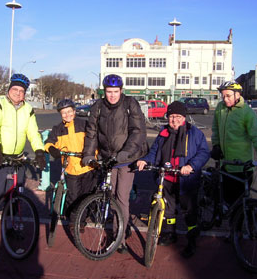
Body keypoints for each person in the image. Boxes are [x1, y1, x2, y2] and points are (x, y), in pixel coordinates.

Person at [82, 74, 148, 254]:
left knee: (121, 197)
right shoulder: (98, 106)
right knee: (110, 196)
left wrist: (126, 152)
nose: (112, 95)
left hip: (126, 158)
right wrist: (88, 154)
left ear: (121, 91)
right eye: (109, 92)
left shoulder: (130, 104)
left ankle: (120, 238)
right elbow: (91, 133)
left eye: (115, 92)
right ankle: (119, 227)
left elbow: (138, 131)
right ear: (104, 91)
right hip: (108, 158)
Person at [0, 73, 47, 232]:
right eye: (15, 89)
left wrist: (39, 151)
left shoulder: (27, 109)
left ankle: (9, 221)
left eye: (22, 91)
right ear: (9, 89)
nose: (18, 93)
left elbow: (33, 133)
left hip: (17, 157)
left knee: (16, 191)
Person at [137, 101, 210, 258]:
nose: (174, 120)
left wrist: (191, 166)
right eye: (171, 116)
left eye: (178, 116)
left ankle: (192, 240)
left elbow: (204, 152)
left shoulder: (195, 133)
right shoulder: (163, 133)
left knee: (190, 211)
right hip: (167, 178)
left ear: (184, 117)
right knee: (168, 211)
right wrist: (145, 160)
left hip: (186, 179)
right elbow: (154, 152)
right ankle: (170, 234)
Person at [211, 81, 257, 207]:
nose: (225, 99)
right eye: (223, 96)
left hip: (243, 167)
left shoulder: (246, 112)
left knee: (239, 204)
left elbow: (256, 137)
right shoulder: (220, 108)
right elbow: (215, 129)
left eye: (228, 96)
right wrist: (216, 146)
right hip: (226, 165)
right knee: (227, 201)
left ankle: (244, 223)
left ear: (237, 95)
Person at [44, 99, 96, 224]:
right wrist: (51, 149)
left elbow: (94, 140)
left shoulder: (84, 124)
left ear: (74, 111)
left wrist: (95, 156)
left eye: (69, 111)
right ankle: (75, 223)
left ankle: (82, 219)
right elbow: (49, 142)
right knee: (73, 197)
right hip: (71, 169)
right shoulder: (58, 129)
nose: (67, 115)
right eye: (64, 113)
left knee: (87, 196)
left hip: (87, 167)